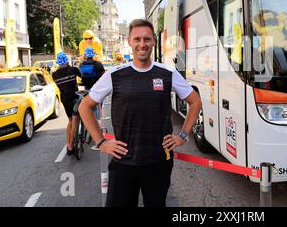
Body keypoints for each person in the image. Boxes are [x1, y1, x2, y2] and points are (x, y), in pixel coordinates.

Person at [79, 19, 201, 207]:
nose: (142, 44)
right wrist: (101, 142)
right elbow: (85, 106)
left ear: (153, 41)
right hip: (124, 162)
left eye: (147, 39)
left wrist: (183, 135)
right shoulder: (115, 74)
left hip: (159, 162)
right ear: (129, 42)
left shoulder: (167, 73)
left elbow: (195, 101)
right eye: (137, 39)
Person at [52, 52, 82, 156]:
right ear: (66, 60)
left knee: (70, 121)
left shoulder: (54, 74)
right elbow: (82, 77)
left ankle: (68, 143)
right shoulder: (73, 70)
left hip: (65, 100)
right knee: (75, 120)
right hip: (74, 98)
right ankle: (70, 147)